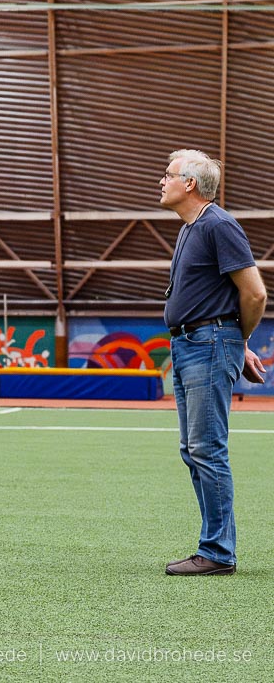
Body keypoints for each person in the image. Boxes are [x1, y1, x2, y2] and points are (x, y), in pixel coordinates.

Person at [160, 149, 267, 576]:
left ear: (189, 184)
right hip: (191, 345)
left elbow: (254, 293)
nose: (161, 181)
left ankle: (219, 552)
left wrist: (237, 340)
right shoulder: (192, 228)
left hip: (207, 344)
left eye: (168, 174)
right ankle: (215, 547)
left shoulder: (218, 224)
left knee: (207, 449)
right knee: (194, 449)